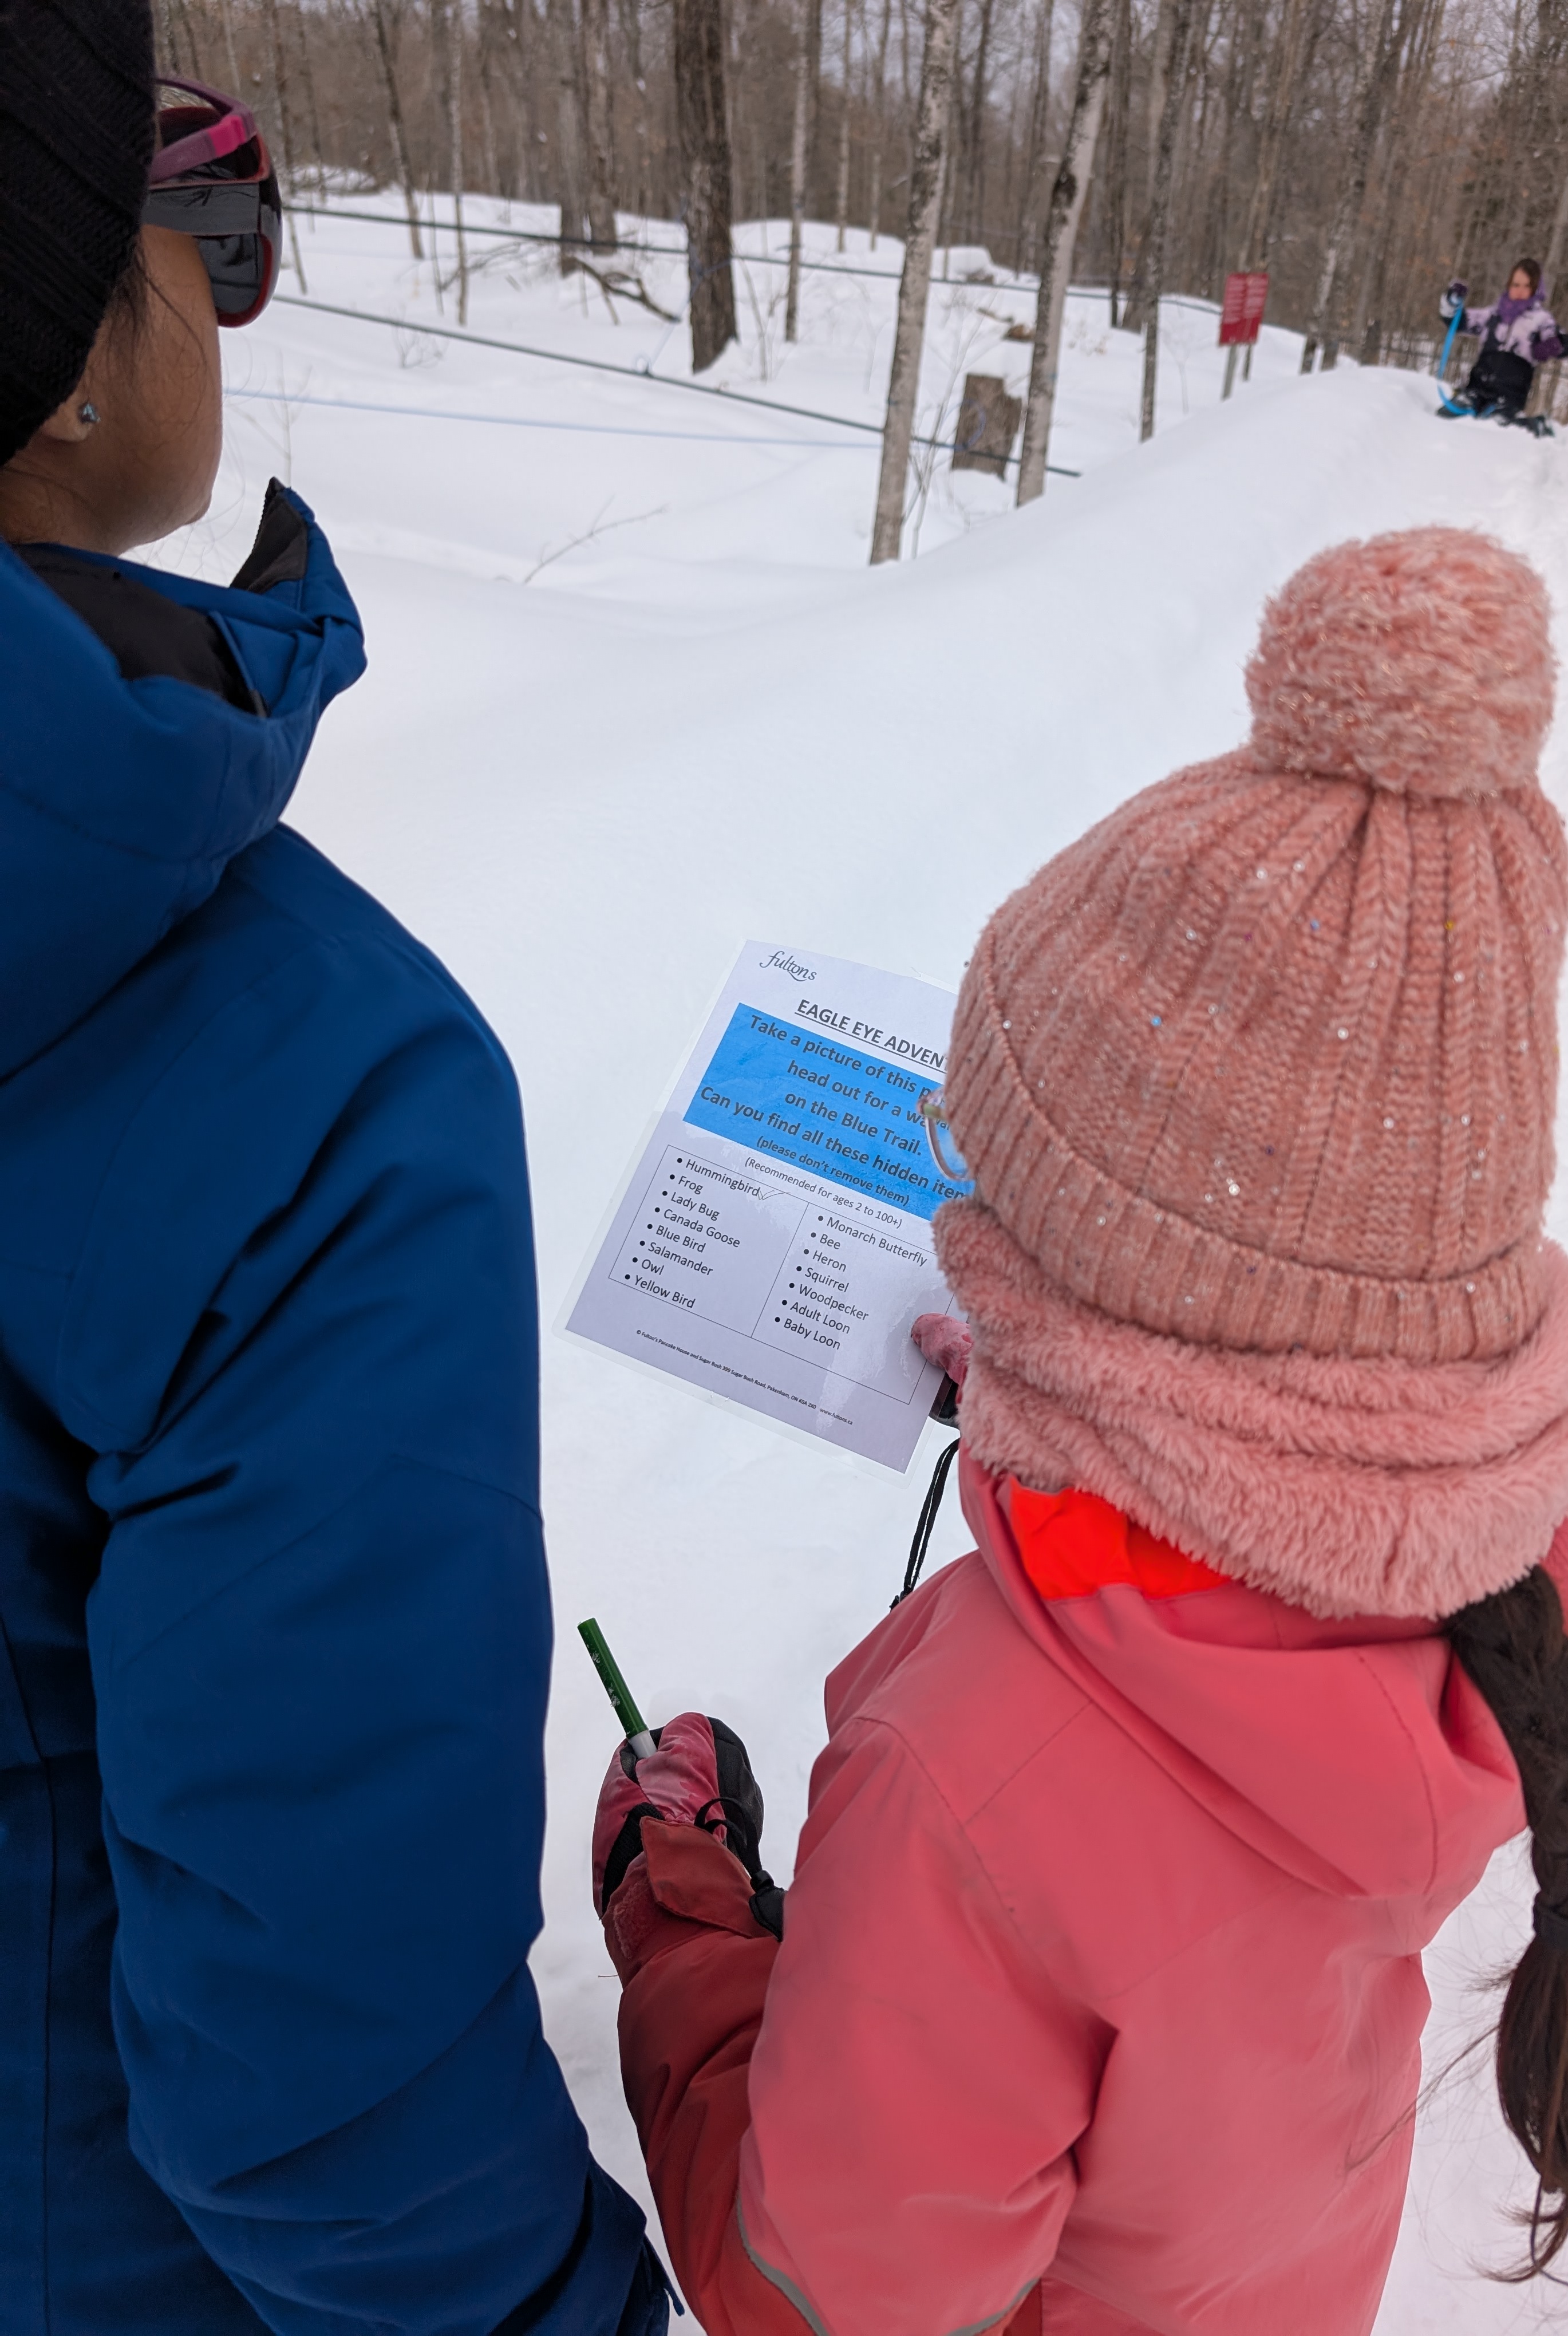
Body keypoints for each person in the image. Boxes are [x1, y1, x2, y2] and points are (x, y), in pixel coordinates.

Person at [589, 527, 1568, 2335]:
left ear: (1120, 1288)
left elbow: (824, 2302)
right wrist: (1067, 1413)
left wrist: (677, 1917)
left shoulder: (970, 1777)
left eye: (989, 1175)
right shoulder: (1495, 1569)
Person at [0, 7, 665, 2331]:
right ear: (72, 362)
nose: (224, 279)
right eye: (199, 213)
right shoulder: (304, 1092)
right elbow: (317, 2086)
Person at [1437, 257, 1568, 432]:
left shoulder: (1541, 320)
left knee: (1496, 428)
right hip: (1477, 387)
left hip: (1510, 394)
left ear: (1536, 290)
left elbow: (1565, 343)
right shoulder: (1494, 314)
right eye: (1516, 285)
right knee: (1446, 416)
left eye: (1527, 286)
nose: (1520, 291)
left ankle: (1536, 427)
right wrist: (1452, 301)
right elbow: (1457, 322)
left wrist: (1557, 344)